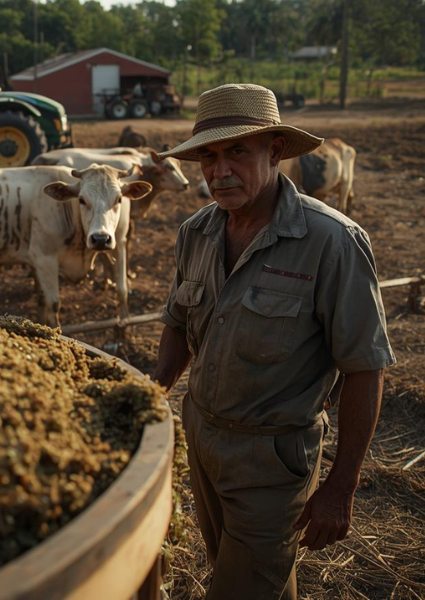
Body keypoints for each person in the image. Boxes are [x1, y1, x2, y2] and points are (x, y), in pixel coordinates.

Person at [152, 83, 394, 599]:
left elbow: (365, 368)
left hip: (273, 459)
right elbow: (177, 323)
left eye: (237, 151)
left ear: (275, 151)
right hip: (202, 436)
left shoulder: (331, 242)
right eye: (208, 157)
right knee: (240, 571)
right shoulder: (196, 232)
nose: (219, 171)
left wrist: (341, 485)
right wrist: (149, 396)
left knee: (242, 588)